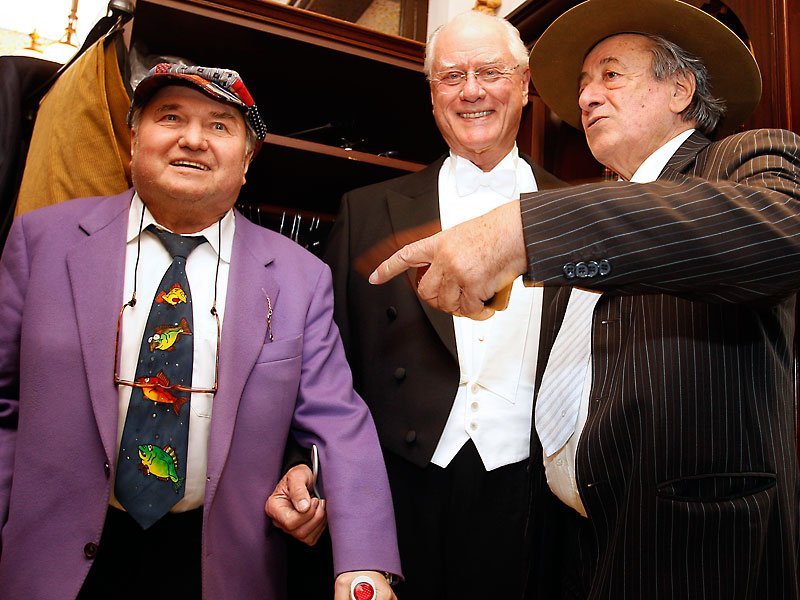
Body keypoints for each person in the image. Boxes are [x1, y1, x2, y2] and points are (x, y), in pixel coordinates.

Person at [370, 0, 800, 597]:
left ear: (680, 90)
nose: (588, 96)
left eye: (611, 75)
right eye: (583, 84)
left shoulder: (743, 158)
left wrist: (520, 228)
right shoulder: (587, 219)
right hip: (578, 548)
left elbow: (779, 236)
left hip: (695, 553)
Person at [0, 62, 401, 600]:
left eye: (219, 125)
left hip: (219, 564)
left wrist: (363, 564)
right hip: (52, 562)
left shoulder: (300, 277)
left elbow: (337, 420)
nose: (193, 139)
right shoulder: (41, 242)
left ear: (247, 160)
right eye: (170, 117)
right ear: (134, 138)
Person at [267, 11, 564, 599]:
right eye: (451, 76)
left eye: (490, 72)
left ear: (525, 84)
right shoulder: (367, 212)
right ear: (432, 96)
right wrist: (304, 461)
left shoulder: (576, 212)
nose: (471, 91)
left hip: (534, 496)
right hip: (397, 489)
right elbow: (326, 365)